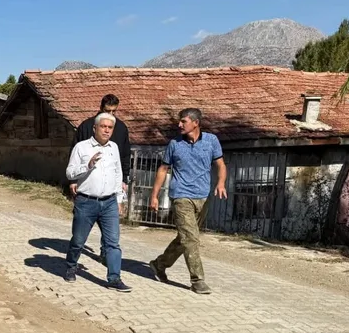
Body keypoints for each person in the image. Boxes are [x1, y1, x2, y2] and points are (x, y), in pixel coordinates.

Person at [148, 108, 227, 295]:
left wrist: (221, 182)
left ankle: (159, 264)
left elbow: (221, 164)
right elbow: (163, 169)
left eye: (183, 121)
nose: (179, 125)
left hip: (203, 196)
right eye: (179, 121)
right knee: (191, 238)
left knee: (185, 238)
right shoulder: (174, 144)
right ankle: (197, 280)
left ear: (195, 123)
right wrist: (154, 195)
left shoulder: (211, 141)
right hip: (181, 195)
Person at [63, 113, 131, 292]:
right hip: (86, 202)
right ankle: (71, 266)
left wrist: (119, 199)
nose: (107, 130)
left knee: (112, 243)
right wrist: (88, 166)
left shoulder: (114, 147)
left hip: (109, 202)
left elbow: (118, 174)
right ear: (95, 128)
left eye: (110, 128)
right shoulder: (81, 147)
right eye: (103, 127)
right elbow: (70, 173)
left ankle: (114, 278)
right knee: (78, 240)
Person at [73, 93, 131, 204]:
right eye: (107, 111)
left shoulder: (121, 128)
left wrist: (124, 180)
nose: (111, 114)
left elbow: (125, 155)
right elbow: (75, 154)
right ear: (101, 108)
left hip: (111, 185)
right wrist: (73, 180)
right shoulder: (86, 126)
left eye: (114, 111)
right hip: (88, 184)